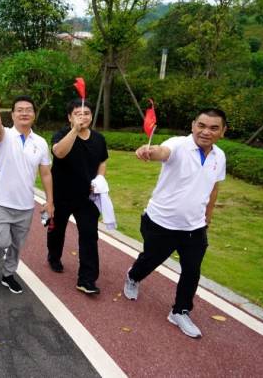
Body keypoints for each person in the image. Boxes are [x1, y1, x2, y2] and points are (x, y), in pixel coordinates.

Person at [123, 109, 227, 339]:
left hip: (194, 227)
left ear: (222, 131)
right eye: (201, 125)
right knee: (151, 259)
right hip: (161, 223)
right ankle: (133, 276)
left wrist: (207, 218)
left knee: (192, 270)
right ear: (193, 125)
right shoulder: (179, 145)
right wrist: (149, 151)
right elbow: (162, 151)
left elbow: (214, 188)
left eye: (213, 128)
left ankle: (180, 311)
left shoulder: (219, 156)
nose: (206, 132)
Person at [0, 93, 53, 294]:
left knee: (16, 246)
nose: (24, 113)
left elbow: (46, 173)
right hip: (1, 203)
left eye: (28, 110)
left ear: (34, 115)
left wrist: (50, 201)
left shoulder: (40, 142)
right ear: (12, 115)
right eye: (20, 110)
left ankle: (8, 275)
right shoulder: (4, 135)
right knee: (1, 242)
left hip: (25, 206)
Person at [47, 99, 109, 295]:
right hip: (61, 194)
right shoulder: (61, 135)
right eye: (78, 113)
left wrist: (99, 180)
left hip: (87, 197)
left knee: (90, 235)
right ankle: (54, 256)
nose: (83, 116)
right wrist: (74, 130)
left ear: (92, 116)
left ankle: (87, 279)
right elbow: (59, 153)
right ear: (69, 117)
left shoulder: (99, 139)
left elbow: (103, 161)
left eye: (87, 113)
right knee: (57, 230)